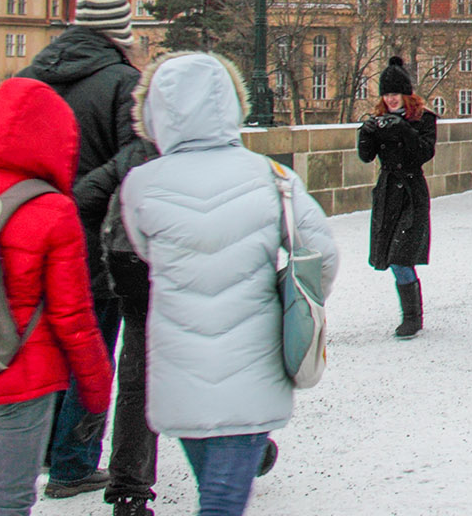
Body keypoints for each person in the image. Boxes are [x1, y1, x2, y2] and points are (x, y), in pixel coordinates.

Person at [120, 52, 339, 516]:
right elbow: (321, 253)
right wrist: (287, 298)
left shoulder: (140, 185)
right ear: (231, 106)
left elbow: (144, 249)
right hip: (252, 357)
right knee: (223, 500)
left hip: (178, 360)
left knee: (213, 493)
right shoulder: (271, 177)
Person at [16, 0, 139, 501]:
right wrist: (77, 194)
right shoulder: (122, 81)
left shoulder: (28, 79)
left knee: (41, 347)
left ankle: (42, 450)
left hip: (27, 237)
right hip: (92, 239)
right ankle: (72, 462)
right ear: (118, 31)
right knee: (91, 349)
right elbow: (136, 157)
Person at [0, 78, 115, 516]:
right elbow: (73, 317)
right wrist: (95, 392)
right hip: (22, 383)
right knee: (9, 500)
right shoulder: (53, 210)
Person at [72, 130, 162, 516]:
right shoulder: (225, 154)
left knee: (137, 375)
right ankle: (246, 446)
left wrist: (113, 232)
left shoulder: (138, 152)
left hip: (134, 264)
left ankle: (129, 489)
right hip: (198, 272)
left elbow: (85, 198)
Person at [356, 57, 437, 340]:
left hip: (412, 191)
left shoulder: (424, 119)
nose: (390, 99)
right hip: (389, 191)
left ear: (406, 94)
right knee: (392, 257)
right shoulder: (378, 120)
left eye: (395, 94)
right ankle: (411, 314)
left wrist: (402, 129)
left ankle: (412, 318)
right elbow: (366, 156)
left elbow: (424, 152)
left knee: (402, 255)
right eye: (386, 94)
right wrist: (367, 134)